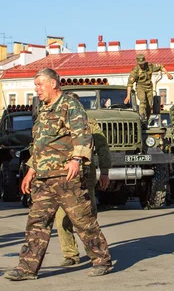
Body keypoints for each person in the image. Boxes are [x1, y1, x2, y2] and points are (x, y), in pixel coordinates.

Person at [4, 68, 112, 281]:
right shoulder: (43, 111)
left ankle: (102, 260)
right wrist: (30, 171)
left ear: (53, 83)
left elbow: (82, 135)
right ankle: (27, 268)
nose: (37, 90)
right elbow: (40, 145)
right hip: (43, 179)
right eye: (35, 85)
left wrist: (76, 160)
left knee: (83, 221)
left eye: (39, 84)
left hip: (66, 177)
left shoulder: (70, 106)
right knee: (37, 223)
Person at [55, 92, 112, 267]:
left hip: (85, 176)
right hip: (62, 176)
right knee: (61, 216)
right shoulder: (56, 124)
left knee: (88, 215)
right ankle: (70, 253)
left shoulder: (90, 125)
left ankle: (93, 250)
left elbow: (103, 149)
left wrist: (104, 172)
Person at [124, 53, 173, 121]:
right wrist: (128, 96)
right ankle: (141, 116)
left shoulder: (149, 65)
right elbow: (129, 84)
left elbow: (161, 67)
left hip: (149, 87)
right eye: (140, 64)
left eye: (142, 63)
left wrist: (167, 74)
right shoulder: (135, 71)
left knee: (149, 106)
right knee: (142, 101)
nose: (142, 65)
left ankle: (147, 119)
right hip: (140, 87)